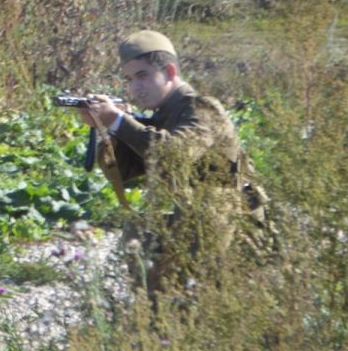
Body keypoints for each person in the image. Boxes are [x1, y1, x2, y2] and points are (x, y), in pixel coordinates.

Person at [77, 30, 263, 290]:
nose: (135, 87)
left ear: (170, 72)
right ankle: (157, 318)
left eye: (143, 76)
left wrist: (119, 121)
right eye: (129, 79)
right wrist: (108, 129)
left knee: (199, 295)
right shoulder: (163, 114)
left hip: (228, 222)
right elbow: (126, 171)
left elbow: (172, 155)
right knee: (140, 234)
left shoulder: (202, 109)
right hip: (195, 216)